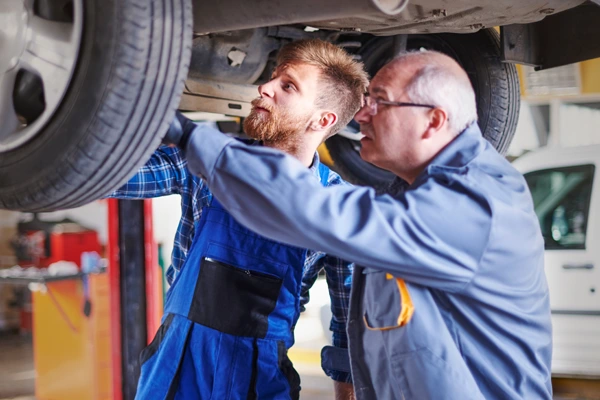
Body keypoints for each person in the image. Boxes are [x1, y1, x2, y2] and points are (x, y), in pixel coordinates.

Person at [167, 50, 553, 399]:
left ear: (433, 120)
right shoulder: (415, 193)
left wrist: (187, 136)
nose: (362, 116)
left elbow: (315, 209)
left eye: (380, 103)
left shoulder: (474, 205)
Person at [110, 39, 368, 399]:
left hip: (259, 381)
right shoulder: (207, 161)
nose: (264, 88)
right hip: (174, 370)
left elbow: (347, 323)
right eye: (273, 78)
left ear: (322, 120)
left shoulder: (338, 206)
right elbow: (111, 176)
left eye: (288, 85)